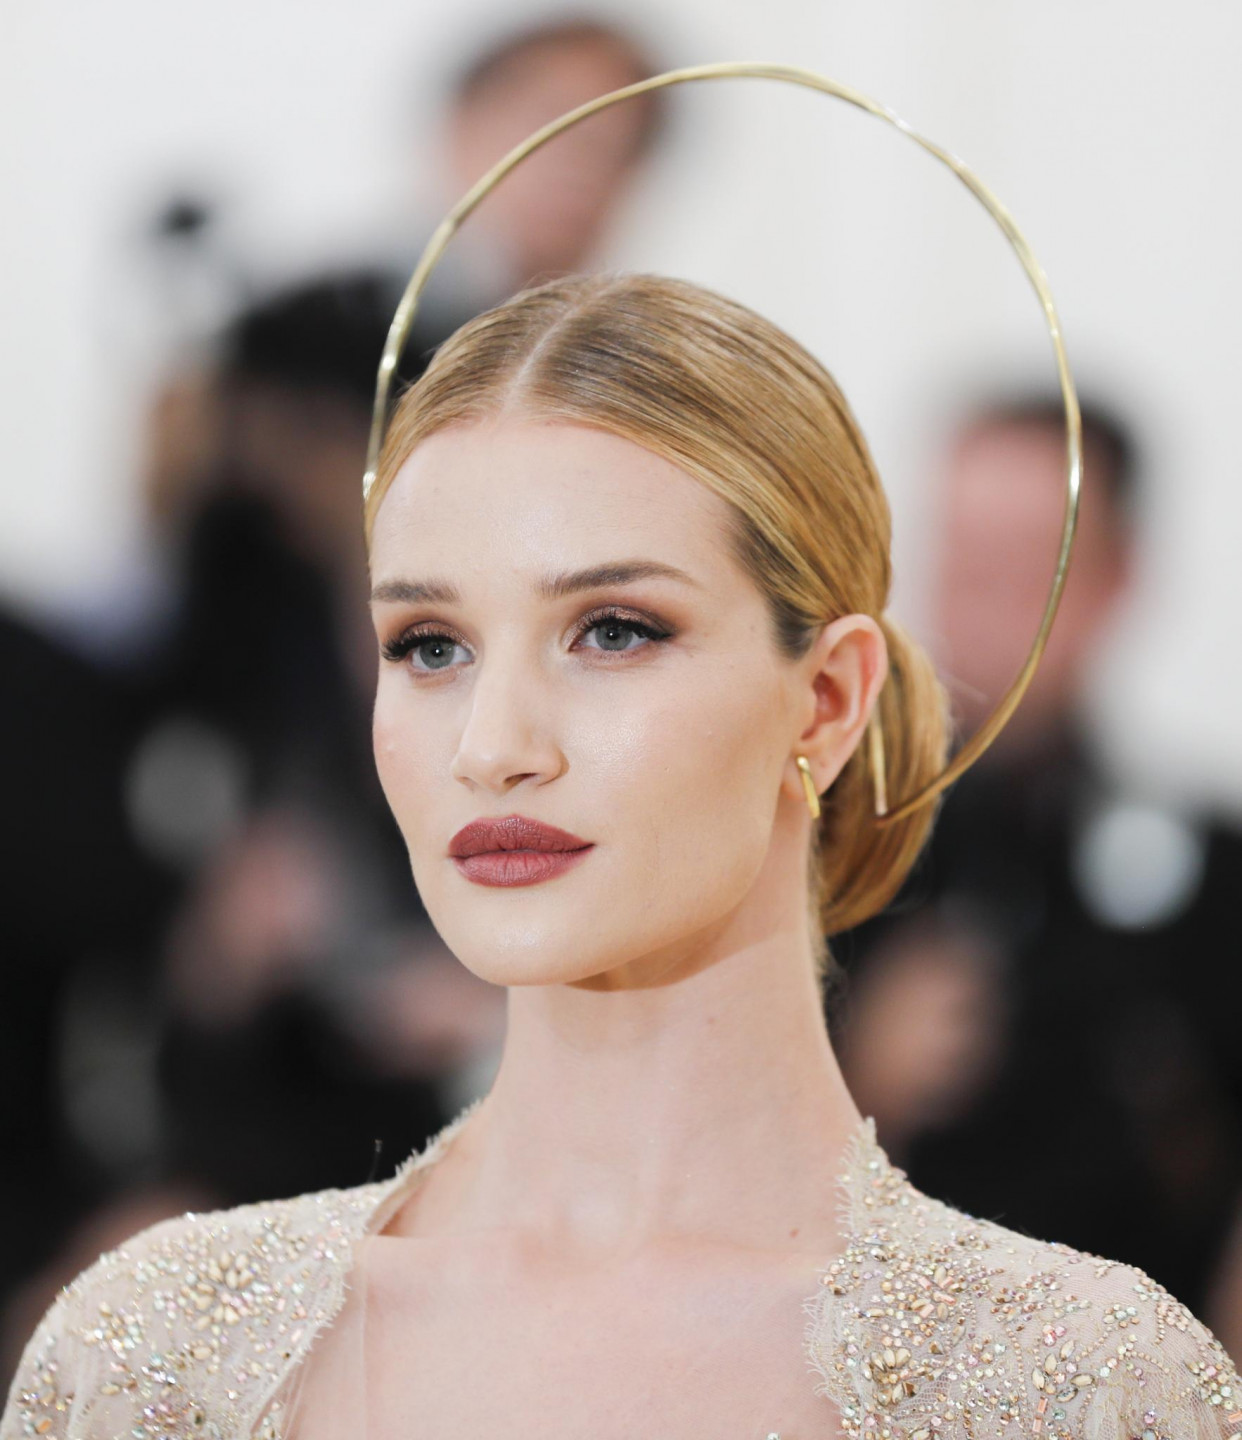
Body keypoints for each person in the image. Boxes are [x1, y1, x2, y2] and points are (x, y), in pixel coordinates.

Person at [3, 274, 1237, 1438]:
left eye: (613, 630)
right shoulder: (157, 1352)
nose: (493, 746)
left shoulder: (1081, 1381)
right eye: (429, 644)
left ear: (826, 701)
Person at [836, 397, 1242, 1325]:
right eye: (962, 558)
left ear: (1116, 576)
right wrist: (861, 1079)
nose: (982, 604)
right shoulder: (825, 849)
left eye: (1027, 566)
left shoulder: (1206, 875)